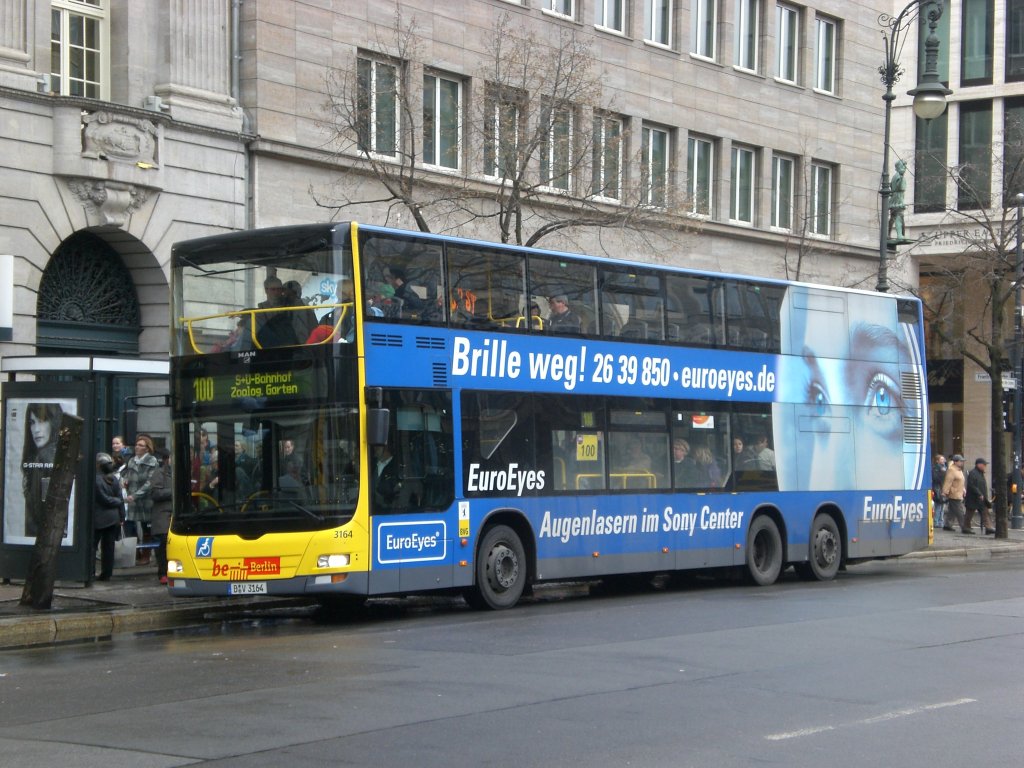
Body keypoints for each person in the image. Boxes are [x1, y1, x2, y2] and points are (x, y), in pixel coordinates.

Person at [21, 403, 63, 537]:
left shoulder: (44, 457)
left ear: (54, 422)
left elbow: (43, 507)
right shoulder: (53, 454)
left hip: (42, 537)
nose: (36, 429)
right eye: (32, 422)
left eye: (42, 421)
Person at [121, 434, 161, 557]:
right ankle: (135, 554)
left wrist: (136, 495)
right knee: (130, 526)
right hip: (131, 498)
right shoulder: (132, 460)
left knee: (146, 528)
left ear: (147, 448)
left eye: (141, 445)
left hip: (146, 499)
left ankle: (146, 555)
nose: (137, 447)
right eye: (137, 445)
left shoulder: (152, 461)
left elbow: (150, 482)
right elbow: (126, 474)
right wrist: (125, 480)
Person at [93, 452, 123, 581]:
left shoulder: (96, 479)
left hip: (99, 518)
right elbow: (120, 498)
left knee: (93, 546)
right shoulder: (114, 479)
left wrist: (117, 502)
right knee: (108, 548)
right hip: (113, 518)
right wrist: (122, 516)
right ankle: (107, 573)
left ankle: (91, 572)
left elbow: (103, 499)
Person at [149, 449, 173, 584]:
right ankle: (163, 572)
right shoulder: (159, 473)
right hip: (163, 514)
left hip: (174, 514)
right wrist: (173, 491)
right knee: (164, 543)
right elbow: (155, 493)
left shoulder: (180, 472)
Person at [964, 457, 994, 535]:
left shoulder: (981, 474)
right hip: (973, 497)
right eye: (984, 464)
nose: (985, 466)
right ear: (979, 465)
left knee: (985, 512)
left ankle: (988, 528)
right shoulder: (973, 473)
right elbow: (972, 485)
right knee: (969, 513)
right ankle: (966, 527)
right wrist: (979, 493)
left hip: (981, 498)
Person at [942, 454, 967, 532]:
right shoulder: (952, 470)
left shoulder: (959, 470)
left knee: (952, 511)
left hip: (958, 492)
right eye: (961, 461)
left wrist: (963, 489)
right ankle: (964, 526)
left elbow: (960, 481)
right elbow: (948, 481)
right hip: (954, 493)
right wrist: (945, 492)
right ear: (955, 462)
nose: (962, 462)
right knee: (960, 511)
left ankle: (947, 525)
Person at [373, 443, 403, 510]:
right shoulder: (374, 464)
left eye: (378, 447)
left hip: (389, 509)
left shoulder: (396, 466)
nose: (375, 449)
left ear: (386, 448)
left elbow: (393, 489)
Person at [888, 159, 907, 241]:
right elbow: (901, 188)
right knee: (899, 216)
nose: (904, 168)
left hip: (895, 199)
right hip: (897, 199)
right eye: (902, 166)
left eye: (905, 166)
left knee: (893, 217)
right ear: (897, 168)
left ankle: (888, 234)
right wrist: (902, 178)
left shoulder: (896, 176)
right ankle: (899, 235)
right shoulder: (898, 176)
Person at [931, 453, 947, 529]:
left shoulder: (944, 467)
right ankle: (936, 521)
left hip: (942, 488)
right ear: (937, 461)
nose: (943, 460)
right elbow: (936, 478)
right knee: (938, 506)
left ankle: (940, 521)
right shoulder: (936, 468)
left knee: (942, 506)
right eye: (941, 459)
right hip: (938, 488)